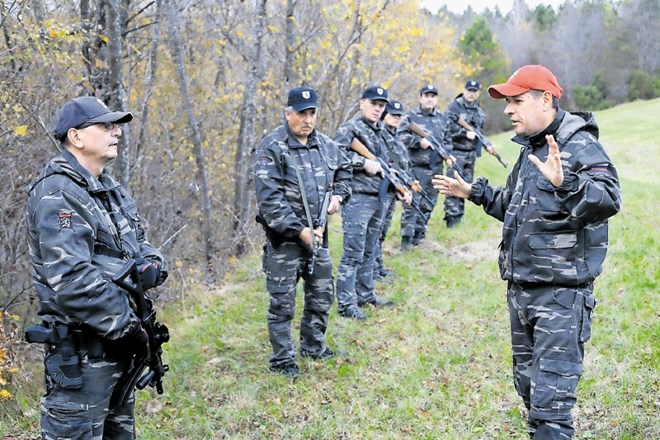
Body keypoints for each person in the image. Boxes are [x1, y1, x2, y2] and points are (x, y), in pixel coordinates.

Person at [433, 65, 621, 439]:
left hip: (560, 296)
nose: (507, 110)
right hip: (522, 293)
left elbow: (608, 199)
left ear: (545, 100)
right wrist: (474, 193)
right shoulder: (533, 147)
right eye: (507, 102)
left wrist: (566, 181)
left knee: (551, 411)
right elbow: (517, 206)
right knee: (531, 393)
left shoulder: (578, 144)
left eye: (517, 101)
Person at [25, 96, 169, 439]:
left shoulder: (109, 189)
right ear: (76, 137)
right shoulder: (57, 193)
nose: (115, 131)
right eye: (105, 125)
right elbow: (72, 279)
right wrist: (130, 327)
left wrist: (153, 266)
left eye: (116, 125)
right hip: (83, 357)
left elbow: (140, 245)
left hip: (119, 351)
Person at [253, 86, 352, 377]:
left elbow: (344, 171)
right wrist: (299, 230)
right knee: (282, 302)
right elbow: (269, 199)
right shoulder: (272, 146)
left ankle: (313, 346)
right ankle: (282, 360)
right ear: (288, 114)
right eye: (301, 113)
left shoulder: (325, 144)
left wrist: (338, 197)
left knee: (322, 294)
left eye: (312, 113)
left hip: (319, 238)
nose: (307, 119)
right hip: (285, 242)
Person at [334, 85, 398, 320]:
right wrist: (363, 163)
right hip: (358, 197)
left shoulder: (381, 130)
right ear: (362, 103)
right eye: (374, 104)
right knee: (353, 252)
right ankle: (346, 303)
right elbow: (334, 155)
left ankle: (366, 293)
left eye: (381, 106)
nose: (377, 109)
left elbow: (388, 163)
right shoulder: (350, 128)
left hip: (378, 196)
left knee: (371, 249)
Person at [398, 84, 454, 250]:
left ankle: (419, 235)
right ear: (420, 97)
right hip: (415, 168)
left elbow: (447, 142)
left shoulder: (443, 119)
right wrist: (418, 141)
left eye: (433, 96)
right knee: (412, 204)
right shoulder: (410, 117)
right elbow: (400, 136)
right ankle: (406, 241)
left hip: (436, 168)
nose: (429, 99)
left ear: (436, 99)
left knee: (429, 203)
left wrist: (448, 157)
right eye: (426, 95)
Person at [443, 80, 500, 228]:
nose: (471, 93)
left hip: (470, 155)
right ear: (464, 90)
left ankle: (459, 217)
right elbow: (444, 129)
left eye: (474, 91)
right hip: (455, 152)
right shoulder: (454, 107)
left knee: (464, 186)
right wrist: (464, 133)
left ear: (478, 93)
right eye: (469, 90)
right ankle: (451, 218)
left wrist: (486, 145)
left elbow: (478, 133)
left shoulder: (478, 111)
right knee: (452, 184)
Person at [373, 99, 414, 282]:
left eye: (399, 115)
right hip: (379, 188)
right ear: (384, 115)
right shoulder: (379, 134)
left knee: (382, 231)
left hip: (392, 188)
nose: (396, 118)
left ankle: (378, 267)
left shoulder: (395, 135)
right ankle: (372, 271)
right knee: (375, 231)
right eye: (392, 115)